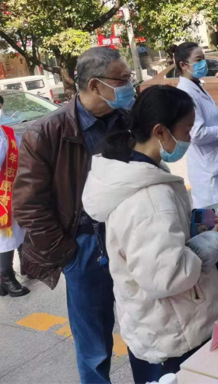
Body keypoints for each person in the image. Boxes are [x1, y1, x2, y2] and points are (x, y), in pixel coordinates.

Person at [82, 86, 218, 384]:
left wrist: (194, 224)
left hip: (155, 326)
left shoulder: (135, 169)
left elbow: (158, 242)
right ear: (160, 131)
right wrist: (207, 246)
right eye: (186, 130)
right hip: (175, 334)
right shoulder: (149, 199)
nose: (189, 138)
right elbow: (166, 276)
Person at [14, 47, 133, 383]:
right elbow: (29, 205)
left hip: (131, 234)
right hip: (85, 246)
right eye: (123, 79)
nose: (130, 86)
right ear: (95, 85)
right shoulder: (46, 133)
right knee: (94, 343)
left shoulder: (126, 118)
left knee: (144, 322)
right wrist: (67, 253)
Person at [172, 42, 218, 208]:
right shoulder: (186, 92)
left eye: (203, 58)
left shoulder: (197, 85)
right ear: (183, 65)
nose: (203, 63)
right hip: (209, 171)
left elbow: (206, 119)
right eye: (198, 59)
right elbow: (196, 133)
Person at [0, 95, 29, 298]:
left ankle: (27, 264)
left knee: (18, 229)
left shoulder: (7, 132)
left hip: (12, 190)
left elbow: (21, 157)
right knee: (4, 234)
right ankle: (6, 276)